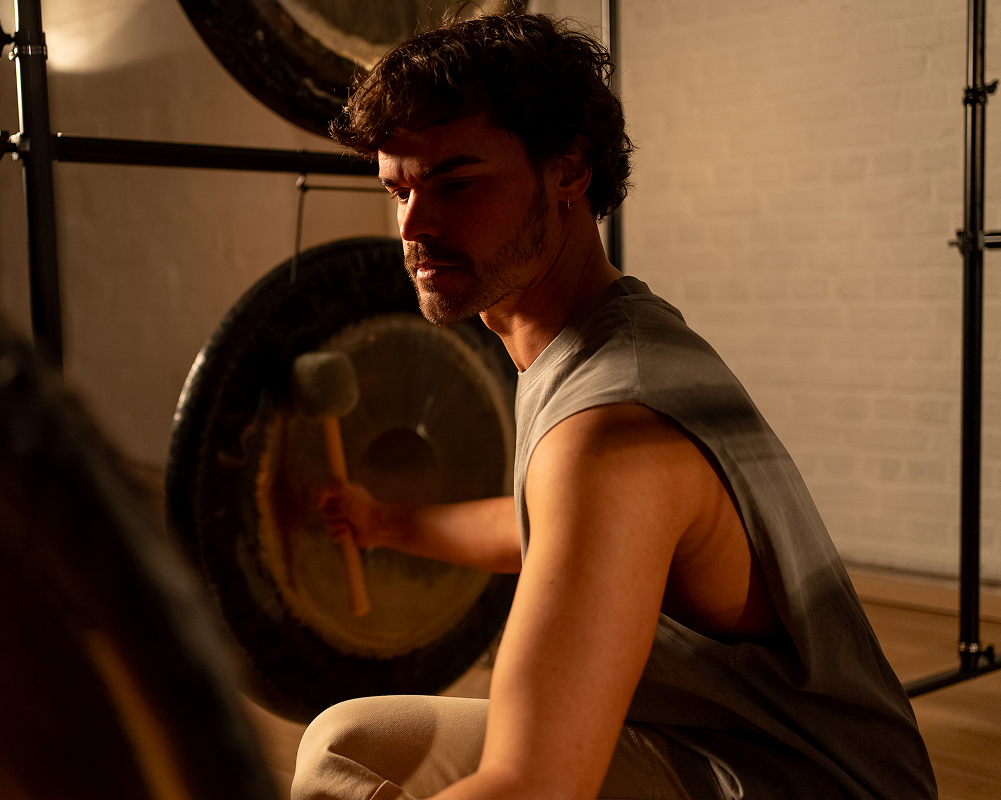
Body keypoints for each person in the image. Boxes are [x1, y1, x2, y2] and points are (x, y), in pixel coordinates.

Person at [291, 13, 936, 800]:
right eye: (399, 189)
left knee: (341, 777)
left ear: (569, 170)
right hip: (711, 745)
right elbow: (552, 529)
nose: (414, 224)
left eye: (456, 182)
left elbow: (532, 788)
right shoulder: (596, 340)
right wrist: (388, 522)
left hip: (796, 781)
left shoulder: (609, 430)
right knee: (344, 746)